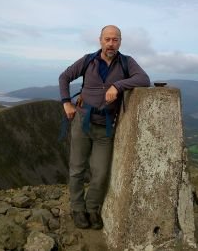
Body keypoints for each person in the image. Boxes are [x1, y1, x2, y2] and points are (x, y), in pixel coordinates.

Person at [59, 25, 150, 230]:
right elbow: (64, 77)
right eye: (107, 39)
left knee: (100, 172)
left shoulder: (126, 62)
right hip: (82, 123)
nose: (111, 43)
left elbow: (144, 79)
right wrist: (66, 102)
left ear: (120, 41)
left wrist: (117, 86)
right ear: (100, 40)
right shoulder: (88, 60)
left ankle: (92, 209)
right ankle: (77, 208)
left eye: (115, 40)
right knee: (77, 169)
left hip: (106, 127)